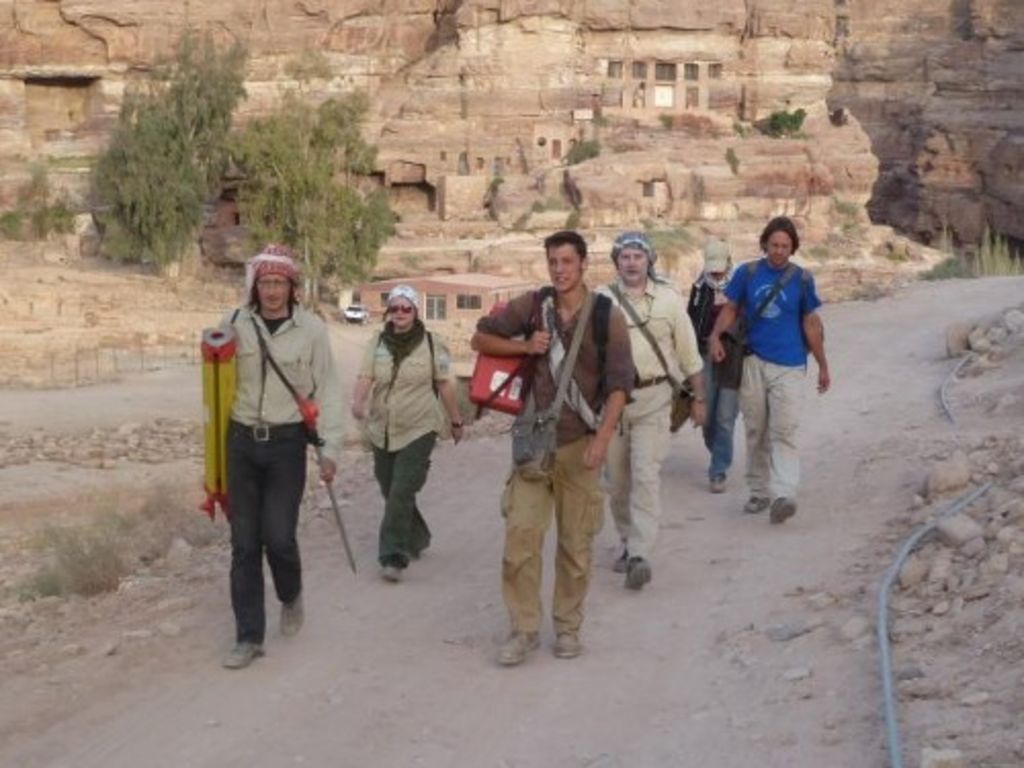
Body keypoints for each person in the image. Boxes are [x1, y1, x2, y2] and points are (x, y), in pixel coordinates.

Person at [471, 230, 634, 665]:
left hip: (581, 445)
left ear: (583, 264)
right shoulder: (534, 306)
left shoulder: (606, 316)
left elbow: (620, 386)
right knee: (519, 540)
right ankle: (523, 629)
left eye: (566, 261)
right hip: (533, 447)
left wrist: (602, 440)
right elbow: (481, 338)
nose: (559, 270)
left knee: (575, 546)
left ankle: (567, 628)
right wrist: (524, 345)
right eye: (553, 262)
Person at [222, 244, 344, 670]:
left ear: (293, 287)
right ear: (256, 286)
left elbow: (328, 388)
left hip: (287, 443)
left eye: (280, 283)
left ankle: (290, 595)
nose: (272, 291)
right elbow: (214, 380)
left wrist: (329, 449)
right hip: (240, 441)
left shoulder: (311, 330)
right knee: (243, 545)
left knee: (278, 538)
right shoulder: (235, 323)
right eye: (266, 282)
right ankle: (249, 637)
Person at [598, 231, 705, 591]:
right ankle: (628, 539)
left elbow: (689, 354)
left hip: (655, 399)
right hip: (611, 404)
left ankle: (640, 553)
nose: (631, 263)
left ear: (649, 261)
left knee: (645, 475)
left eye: (637, 257)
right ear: (617, 262)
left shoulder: (669, 301)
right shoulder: (600, 301)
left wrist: (700, 399)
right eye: (625, 257)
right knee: (617, 482)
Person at [708, 216, 831, 524]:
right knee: (756, 429)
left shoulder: (802, 279)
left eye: (785, 246)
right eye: (774, 245)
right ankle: (759, 491)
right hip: (752, 361)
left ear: (793, 248)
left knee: (784, 430)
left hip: (789, 365)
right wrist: (714, 337)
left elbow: (810, 323)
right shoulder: (747, 274)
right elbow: (730, 309)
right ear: (765, 244)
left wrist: (823, 365)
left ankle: (783, 494)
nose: (778, 251)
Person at [350, 284, 465, 582]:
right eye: (395, 308)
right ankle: (418, 535)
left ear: (416, 311)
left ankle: (393, 556)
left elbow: (445, 384)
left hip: (420, 426)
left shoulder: (432, 343)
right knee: (389, 487)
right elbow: (366, 375)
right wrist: (358, 402)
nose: (400, 313)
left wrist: (455, 420)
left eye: (406, 308)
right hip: (383, 427)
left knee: (402, 489)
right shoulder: (377, 342)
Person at [687, 239, 740, 494]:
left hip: (734, 359)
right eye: (713, 267)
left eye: (720, 267)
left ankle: (718, 470)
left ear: (729, 262)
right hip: (704, 357)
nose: (717, 272)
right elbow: (689, 324)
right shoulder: (699, 289)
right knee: (707, 418)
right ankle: (718, 450)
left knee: (725, 418)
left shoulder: (741, 286)